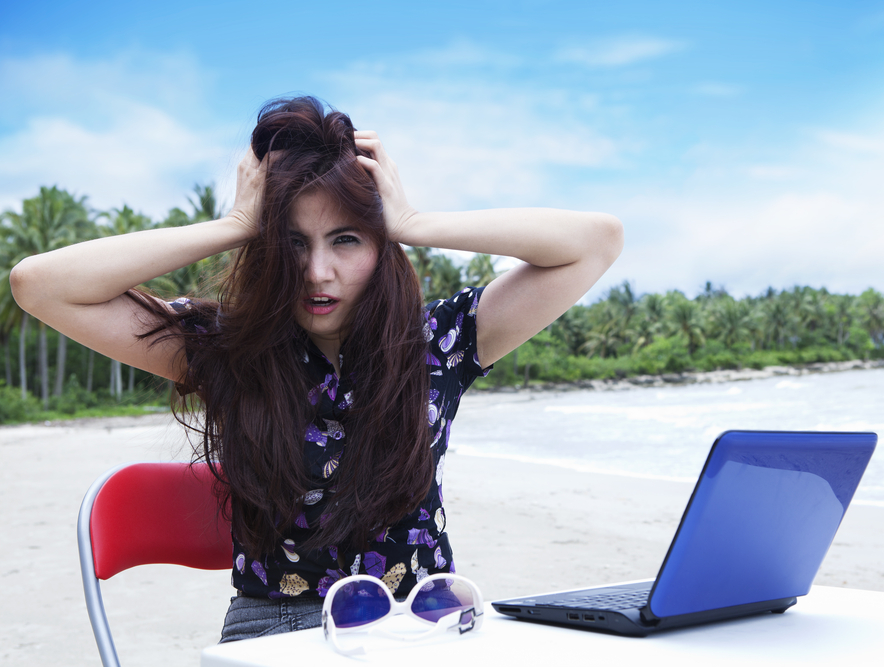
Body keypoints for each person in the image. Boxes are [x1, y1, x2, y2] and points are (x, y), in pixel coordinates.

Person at [10, 96, 623, 641]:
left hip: (425, 620)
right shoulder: (228, 349)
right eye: (293, 241)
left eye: (346, 239)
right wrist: (236, 225)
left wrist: (413, 224)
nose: (317, 272)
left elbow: (597, 241)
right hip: (278, 624)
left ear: (380, 247)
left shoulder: (435, 341)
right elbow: (39, 285)